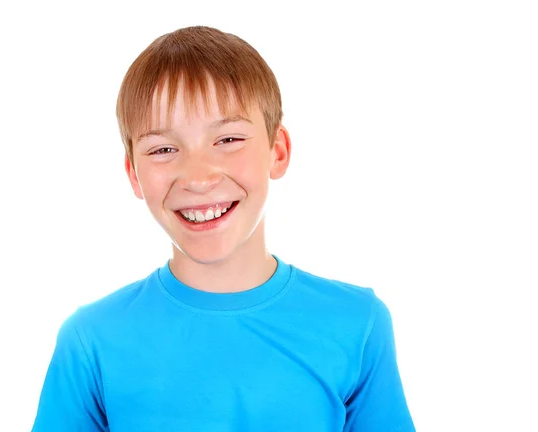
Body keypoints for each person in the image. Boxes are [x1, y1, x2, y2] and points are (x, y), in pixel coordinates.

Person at [32, 25, 415, 431]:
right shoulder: (91, 340)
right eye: (163, 149)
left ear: (278, 150)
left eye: (228, 139)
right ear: (133, 174)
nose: (197, 177)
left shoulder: (357, 322)